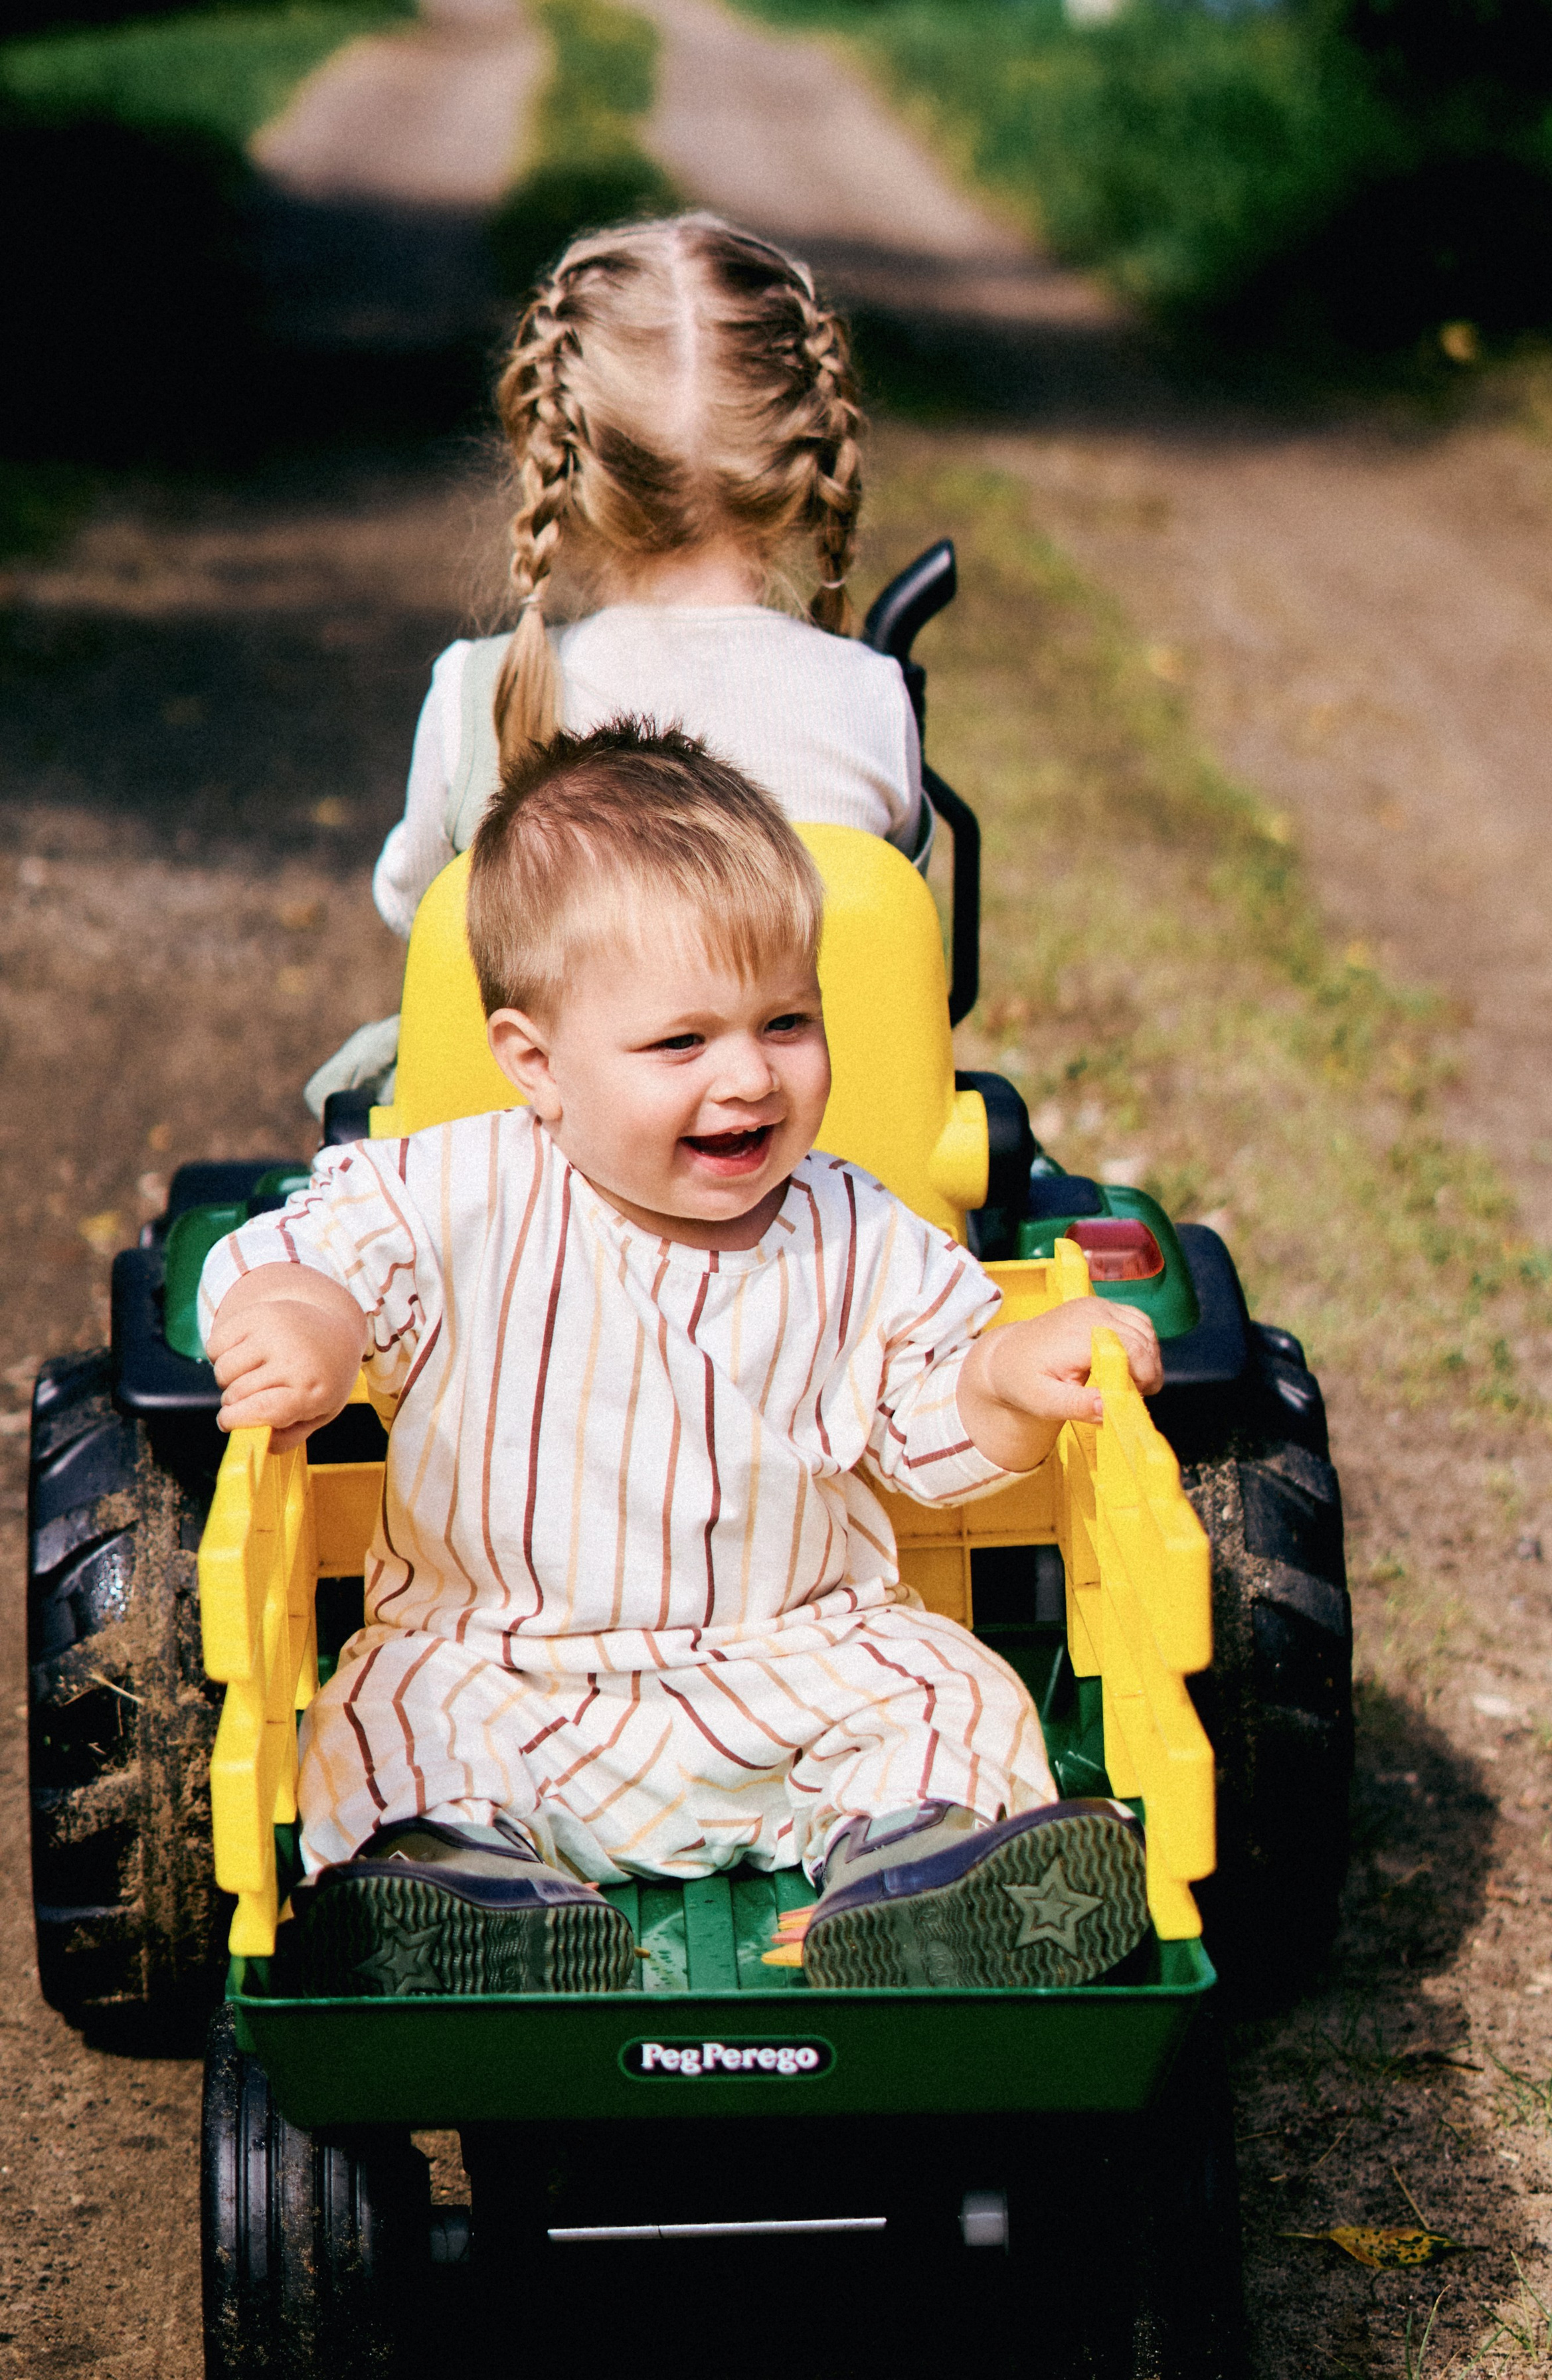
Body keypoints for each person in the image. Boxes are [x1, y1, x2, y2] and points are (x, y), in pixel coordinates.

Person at [206, 722, 1158, 1996]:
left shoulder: (854, 1225)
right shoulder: (459, 1192)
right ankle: (472, 1898)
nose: (750, 1078)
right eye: (682, 1044)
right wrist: (306, 1321)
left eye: (787, 1022)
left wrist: (1008, 1377)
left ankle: (918, 1882)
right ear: (534, 1063)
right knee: (386, 1722)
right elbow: (310, 1250)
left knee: (953, 1690)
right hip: (505, 1659)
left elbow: (930, 1417)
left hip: (797, 1653)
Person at [305, 211, 928, 1118]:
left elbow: (423, 917)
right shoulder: (871, 696)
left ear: (557, 457)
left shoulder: (477, 696)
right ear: (805, 453)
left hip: (523, 1197)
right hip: (809, 1174)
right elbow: (890, 943)